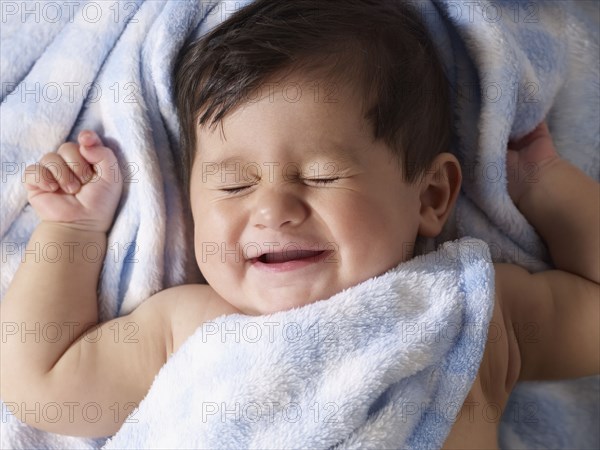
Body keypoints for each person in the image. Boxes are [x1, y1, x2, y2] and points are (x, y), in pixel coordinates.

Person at [1, 0, 598, 448]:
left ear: (433, 195)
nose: (272, 209)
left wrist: (544, 184)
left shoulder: (469, 307)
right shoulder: (189, 327)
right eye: (233, 184)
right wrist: (74, 231)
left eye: (321, 176)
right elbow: (39, 382)